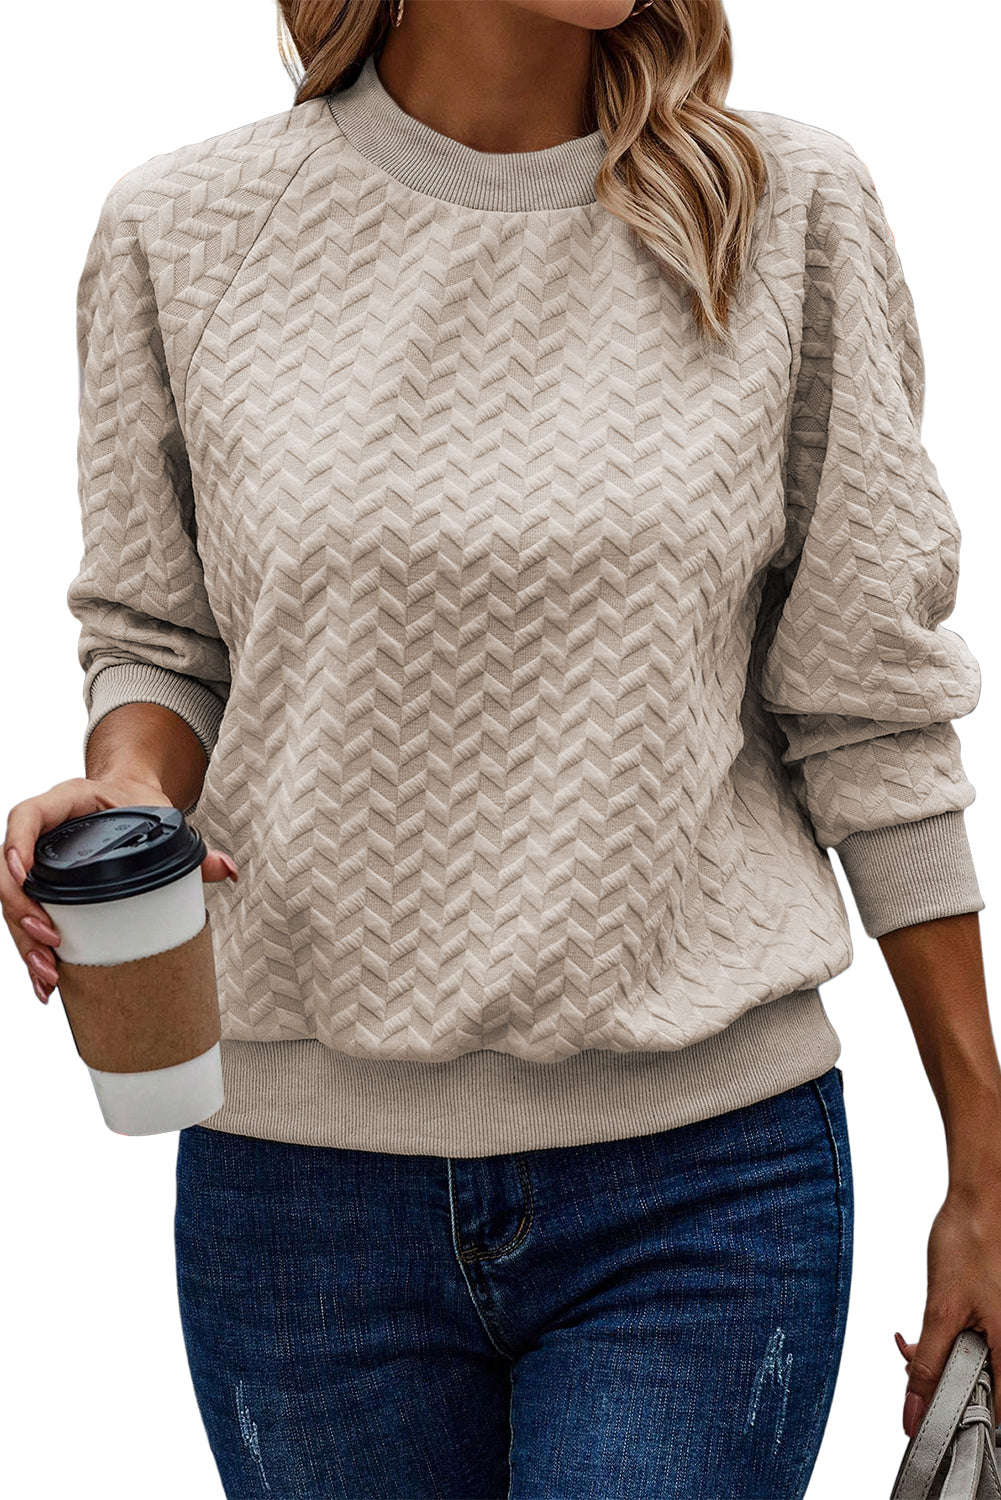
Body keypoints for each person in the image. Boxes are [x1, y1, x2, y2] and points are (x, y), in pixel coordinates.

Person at [3, 1, 999, 1494]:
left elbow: (867, 708)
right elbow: (164, 633)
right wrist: (132, 784)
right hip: (299, 1207)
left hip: (705, 1189)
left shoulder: (783, 210)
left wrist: (980, 1158)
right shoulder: (183, 231)